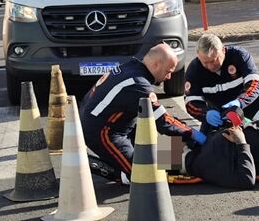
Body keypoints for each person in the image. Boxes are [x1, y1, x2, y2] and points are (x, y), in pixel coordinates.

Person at [80, 44, 206, 184]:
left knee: (156, 152)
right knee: (142, 175)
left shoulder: (131, 67)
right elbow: (164, 122)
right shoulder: (138, 84)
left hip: (118, 123)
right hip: (103, 132)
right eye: (168, 71)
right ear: (156, 64)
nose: (169, 76)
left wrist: (185, 138)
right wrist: (191, 133)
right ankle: (94, 165)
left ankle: (178, 161)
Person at [184, 34, 259, 132]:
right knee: (205, 140)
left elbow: (255, 83)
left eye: (214, 61)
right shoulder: (194, 70)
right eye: (205, 63)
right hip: (220, 112)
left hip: (251, 102)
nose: (210, 66)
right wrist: (206, 113)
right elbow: (191, 103)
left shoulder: (239, 55)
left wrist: (240, 101)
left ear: (223, 50)